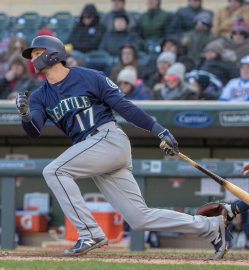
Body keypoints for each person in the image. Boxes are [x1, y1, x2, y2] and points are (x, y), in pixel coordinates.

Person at [16, 35, 227, 259]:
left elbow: (124, 107)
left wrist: (159, 130)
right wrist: (25, 114)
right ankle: (210, 227)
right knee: (139, 218)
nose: (33, 59)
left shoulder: (89, 77)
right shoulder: (40, 95)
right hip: (92, 150)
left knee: (54, 171)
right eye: (32, 56)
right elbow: (34, 131)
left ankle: (89, 233)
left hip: (108, 138)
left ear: (54, 53)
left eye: (38, 53)